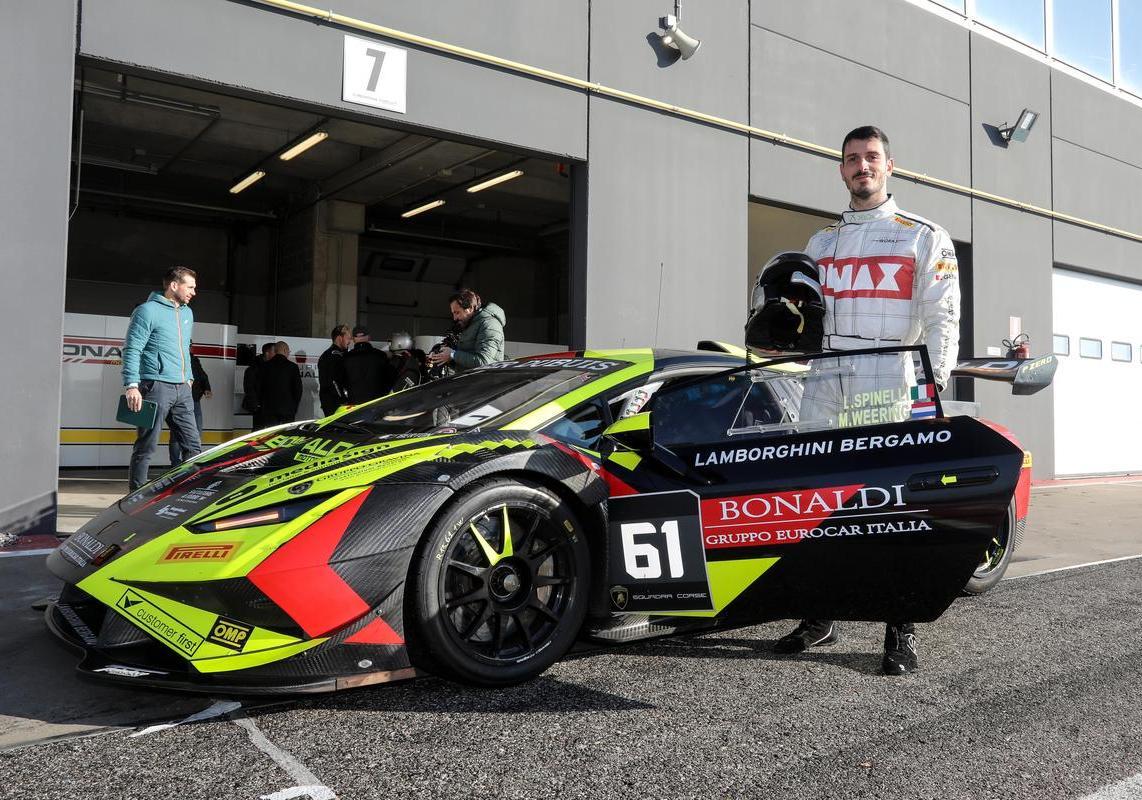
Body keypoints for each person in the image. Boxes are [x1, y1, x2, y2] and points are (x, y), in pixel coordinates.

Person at [770, 125, 961, 676]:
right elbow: (803, 318)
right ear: (841, 169)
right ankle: (818, 615)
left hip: (890, 379)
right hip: (827, 379)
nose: (862, 167)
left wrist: (933, 384)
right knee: (814, 500)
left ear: (890, 165)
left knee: (890, 508)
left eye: (871, 157)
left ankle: (899, 630)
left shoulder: (922, 235)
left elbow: (942, 315)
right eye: (852, 159)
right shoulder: (820, 243)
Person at [122, 266, 202, 491]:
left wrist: (188, 377)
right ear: (174, 285)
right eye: (190, 287)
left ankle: (189, 493)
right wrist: (131, 385)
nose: (194, 292)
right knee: (147, 446)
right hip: (155, 386)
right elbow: (132, 348)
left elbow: (185, 348)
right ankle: (136, 494)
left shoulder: (187, 313)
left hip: (183, 389)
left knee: (193, 446)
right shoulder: (147, 311)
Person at [425, 288, 506, 371]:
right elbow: (465, 364)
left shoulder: (489, 325)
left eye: (457, 312)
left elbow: (483, 362)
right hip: (471, 382)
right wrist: (442, 357)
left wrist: (453, 354)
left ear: (470, 308)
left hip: (486, 382)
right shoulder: (469, 324)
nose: (454, 318)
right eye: (453, 313)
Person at [168, 348, 211, 464]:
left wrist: (207, 388)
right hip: (179, 399)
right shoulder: (173, 356)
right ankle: (176, 463)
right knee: (177, 432)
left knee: (195, 432)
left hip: (194, 399)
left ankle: (188, 464)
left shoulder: (193, 359)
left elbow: (202, 375)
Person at [343, 325, 395, 404]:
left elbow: (342, 382)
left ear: (353, 339)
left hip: (354, 406)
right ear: (369, 337)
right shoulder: (380, 355)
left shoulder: (346, 357)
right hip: (377, 405)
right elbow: (390, 380)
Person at [257, 341, 303, 425]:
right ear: (285, 350)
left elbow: (259, 388)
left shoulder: (264, 366)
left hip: (268, 410)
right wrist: (294, 407)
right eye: (289, 351)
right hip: (287, 410)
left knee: (271, 435)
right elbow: (298, 389)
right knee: (286, 434)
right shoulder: (292, 367)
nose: (289, 353)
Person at [317, 324, 352, 416]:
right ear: (340, 338)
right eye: (348, 338)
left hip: (335, 401)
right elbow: (333, 381)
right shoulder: (332, 356)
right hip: (335, 403)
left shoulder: (340, 355)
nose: (349, 342)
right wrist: (343, 400)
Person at [243, 341, 275, 431]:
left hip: (269, 406)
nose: (276, 354)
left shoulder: (271, 367)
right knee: (258, 430)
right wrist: (256, 405)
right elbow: (249, 387)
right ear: (267, 353)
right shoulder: (254, 368)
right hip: (259, 407)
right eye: (274, 351)